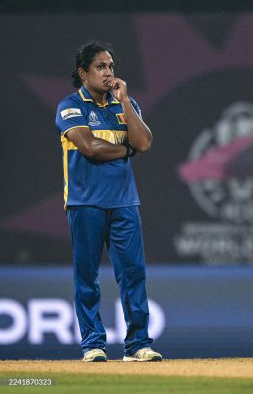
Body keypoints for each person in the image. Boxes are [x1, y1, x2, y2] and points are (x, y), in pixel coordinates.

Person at [55, 42, 162, 362]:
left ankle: (138, 345)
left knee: (133, 275)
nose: (108, 72)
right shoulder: (70, 106)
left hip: (124, 202)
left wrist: (125, 101)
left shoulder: (125, 105)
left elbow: (144, 143)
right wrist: (126, 150)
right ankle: (93, 344)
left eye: (111, 66)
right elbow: (90, 147)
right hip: (84, 203)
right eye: (100, 66)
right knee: (87, 277)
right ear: (83, 73)